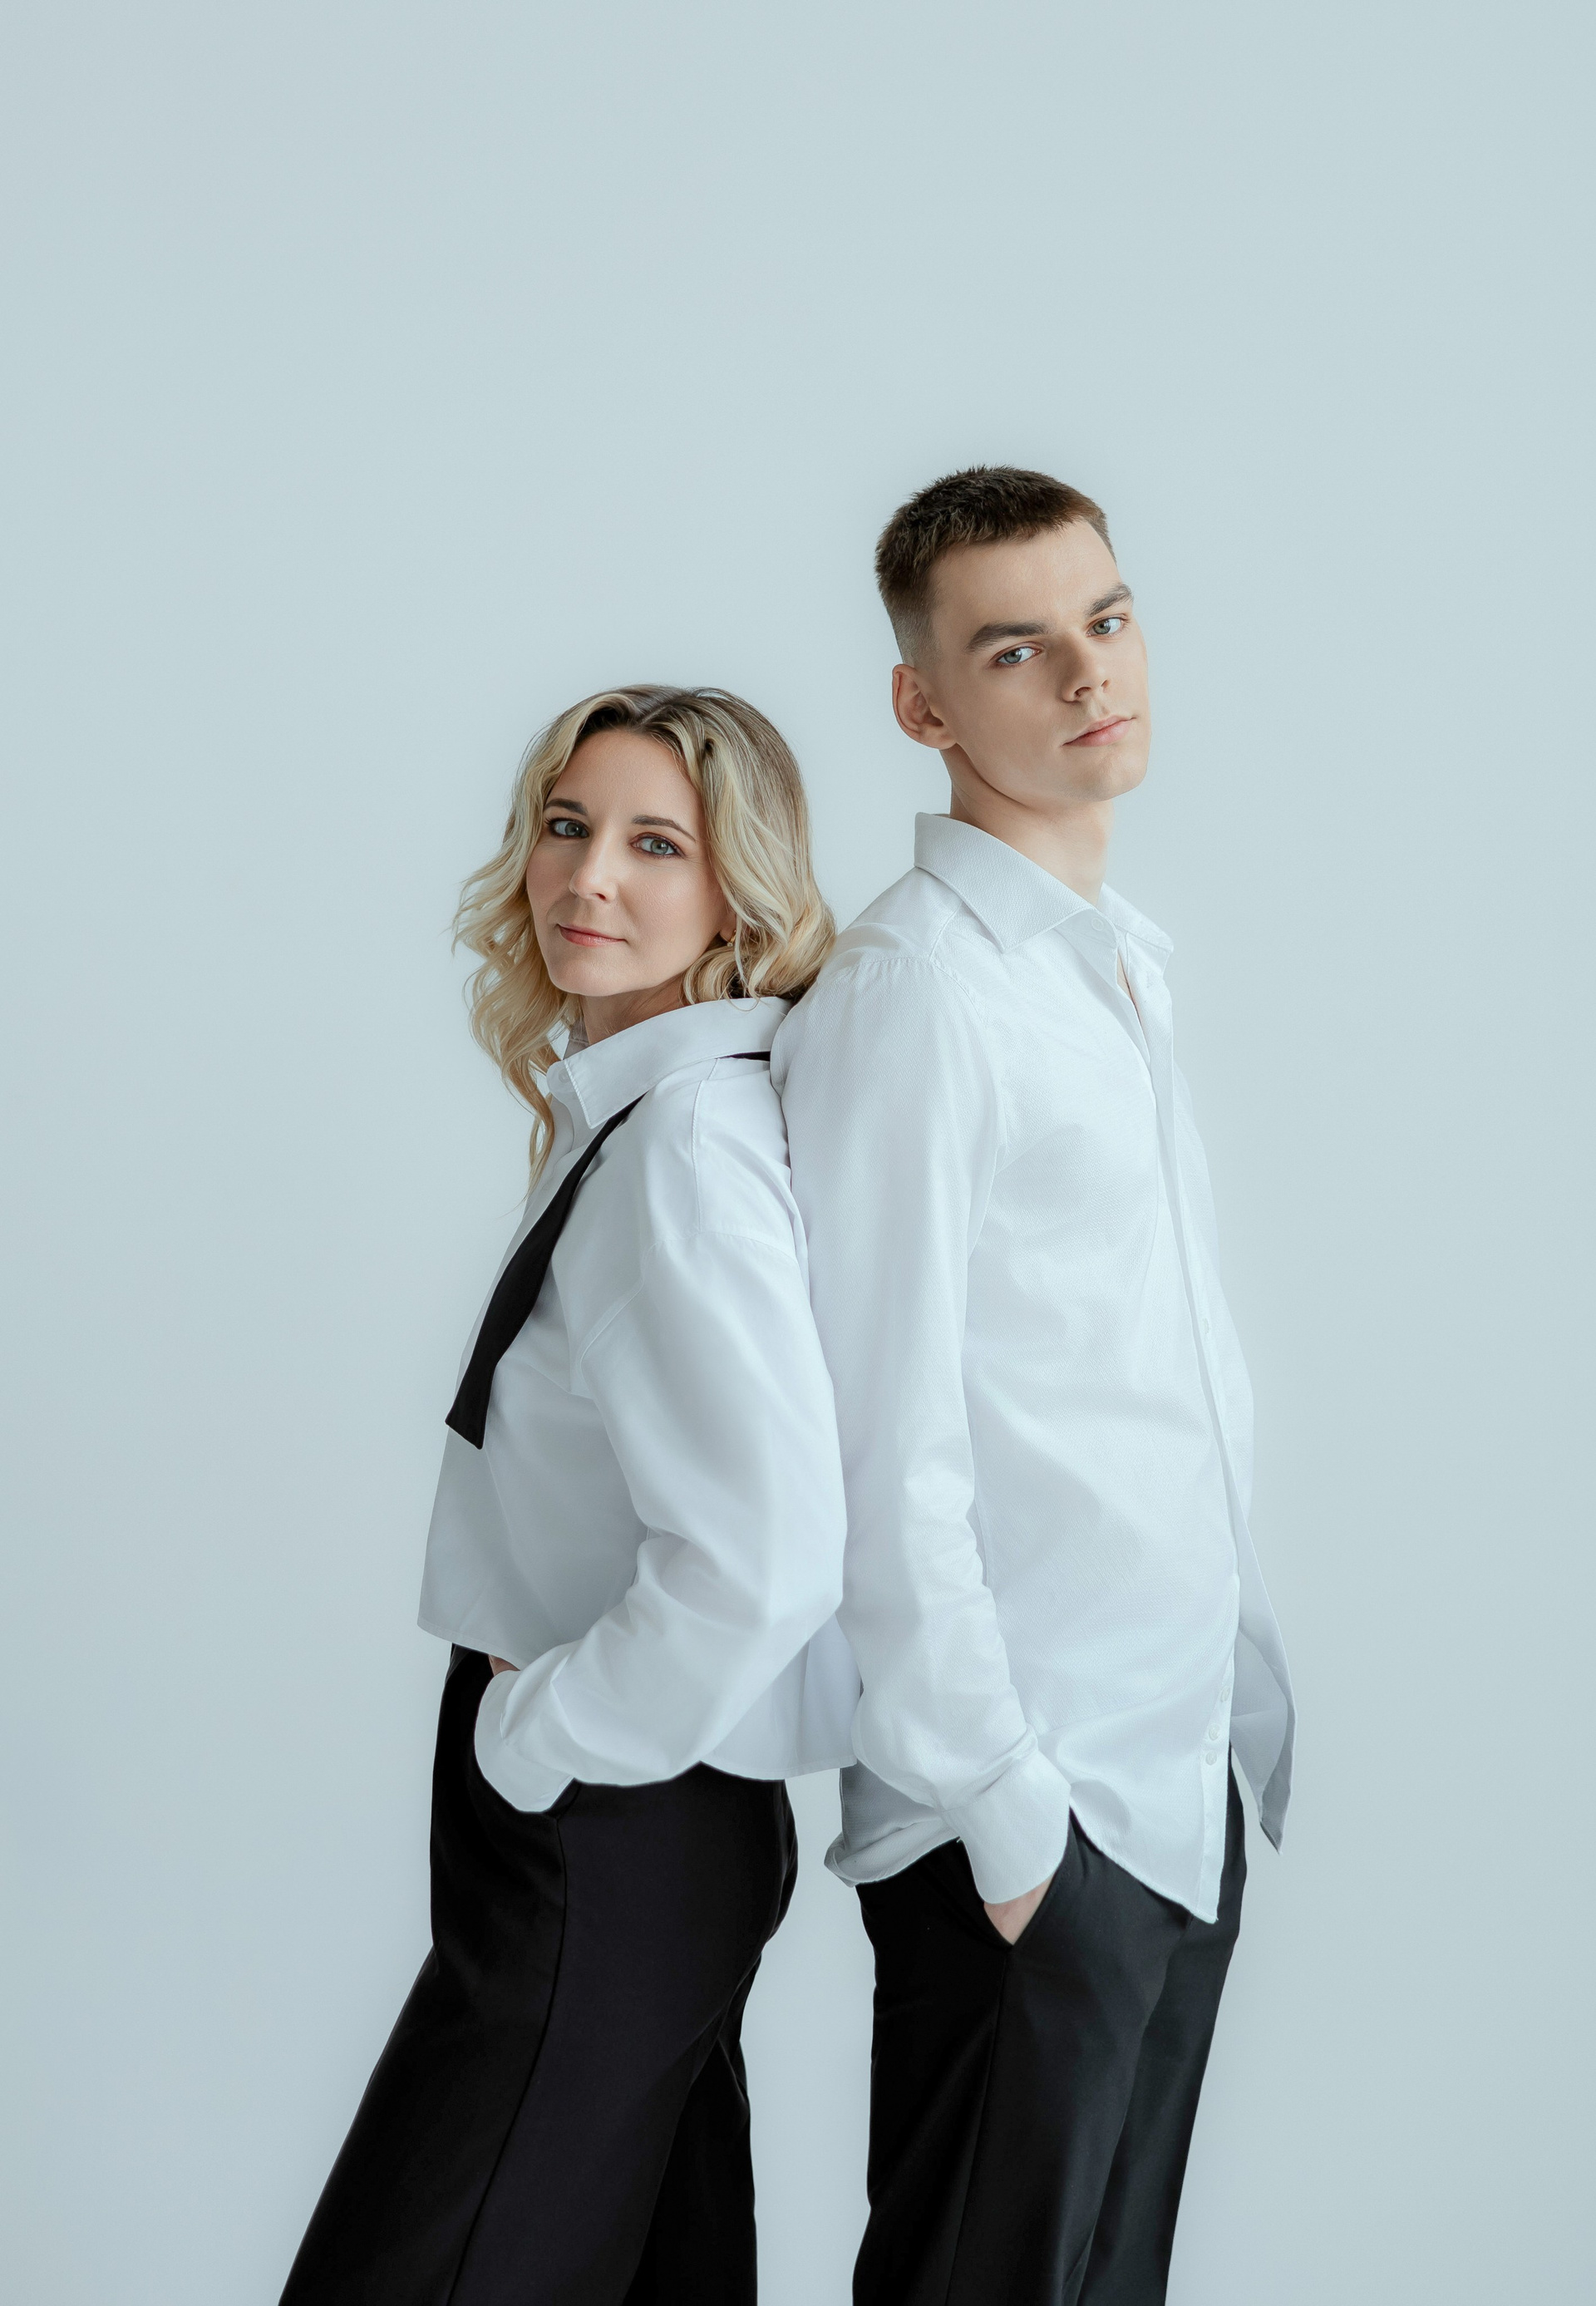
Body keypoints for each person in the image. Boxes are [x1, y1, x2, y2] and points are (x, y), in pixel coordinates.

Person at [773, 467, 1295, 2306]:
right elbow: (875, 1442)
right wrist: (1007, 1819)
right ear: (921, 704)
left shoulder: (1105, 966)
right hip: (1036, 1806)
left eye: (1110, 618)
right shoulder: (920, 995)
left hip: (1164, 1773)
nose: (1089, 674)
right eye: (1017, 649)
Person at [282, 686, 858, 2306]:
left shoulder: (682, 1155)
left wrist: (532, 1739)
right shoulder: (637, 1117)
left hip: (606, 1821)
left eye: (655, 843)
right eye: (566, 825)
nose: (588, 875)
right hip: (626, 1820)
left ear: (735, 893)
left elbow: (769, 1553)